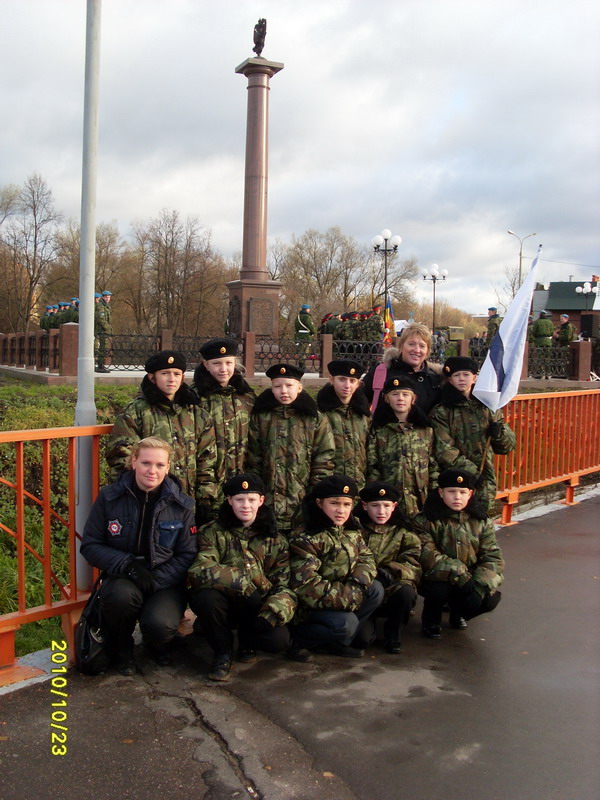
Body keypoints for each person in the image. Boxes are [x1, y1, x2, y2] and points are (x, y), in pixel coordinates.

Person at [80, 437, 197, 674]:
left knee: (160, 625)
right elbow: (90, 545)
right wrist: (128, 566)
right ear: (133, 462)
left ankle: (156, 644)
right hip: (125, 575)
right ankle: (122, 650)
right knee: (119, 597)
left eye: (159, 465)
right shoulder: (110, 497)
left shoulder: (181, 505)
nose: (152, 471)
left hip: (164, 581)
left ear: (168, 467)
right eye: (146, 463)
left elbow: (187, 554)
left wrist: (156, 580)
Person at [188, 473, 296, 682]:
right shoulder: (212, 532)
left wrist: (272, 613)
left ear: (261, 501)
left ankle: (248, 642)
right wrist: (244, 585)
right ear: (229, 500)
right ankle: (222, 652)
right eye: (239, 499)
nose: (245, 505)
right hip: (225, 602)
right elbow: (201, 567)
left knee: (278, 641)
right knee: (206, 598)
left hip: (256, 606)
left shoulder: (276, 539)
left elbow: (284, 585)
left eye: (251, 499)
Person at [106, 350, 217, 522]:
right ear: (152, 377)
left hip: (187, 500)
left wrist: (205, 496)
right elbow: (122, 454)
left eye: (176, 374)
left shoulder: (197, 413)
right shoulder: (136, 411)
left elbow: (207, 458)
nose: (171, 379)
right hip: (150, 500)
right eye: (165, 373)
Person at [289, 475, 383, 659]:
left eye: (347, 504)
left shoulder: (350, 530)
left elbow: (366, 559)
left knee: (376, 590)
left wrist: (356, 584)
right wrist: (349, 596)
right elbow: (307, 587)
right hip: (311, 607)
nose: (341, 510)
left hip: (344, 595)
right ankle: (297, 640)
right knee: (346, 624)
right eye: (334, 503)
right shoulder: (306, 537)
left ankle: (338, 643)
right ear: (319, 503)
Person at [414, 468, 504, 639]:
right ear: (441, 493)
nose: (457, 497)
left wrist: (479, 586)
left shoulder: (481, 521)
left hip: (469, 577)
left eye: (463, 492)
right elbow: (427, 554)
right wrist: (459, 573)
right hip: (436, 575)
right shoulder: (426, 520)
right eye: (452, 492)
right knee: (438, 589)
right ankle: (431, 620)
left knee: (489, 599)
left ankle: (459, 613)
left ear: (470, 494)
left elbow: (492, 557)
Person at [246, 363, 334, 534]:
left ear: (299, 387)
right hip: (268, 501)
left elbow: (323, 459)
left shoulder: (314, 418)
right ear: (271, 388)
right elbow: (253, 458)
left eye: (289, 385)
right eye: (278, 386)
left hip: (301, 500)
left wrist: (314, 494)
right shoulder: (261, 417)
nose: (284, 391)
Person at [429, 356, 516, 512]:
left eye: (466, 374)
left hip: (485, 478)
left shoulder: (487, 407)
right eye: (457, 375)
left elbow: (507, 446)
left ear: (474, 378)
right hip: (455, 482)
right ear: (450, 380)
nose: (462, 379)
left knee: (480, 518)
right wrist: (472, 473)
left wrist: (499, 433)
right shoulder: (442, 412)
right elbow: (444, 450)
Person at [354, 482, 421, 654]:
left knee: (406, 592)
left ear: (394, 506)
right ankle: (366, 622)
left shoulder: (403, 532)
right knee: (362, 640)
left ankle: (394, 634)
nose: (381, 511)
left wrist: (390, 572)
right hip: (363, 590)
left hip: (392, 587)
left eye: (386, 506)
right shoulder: (356, 529)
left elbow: (413, 563)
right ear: (364, 506)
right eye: (375, 506)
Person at [192, 338, 256, 506]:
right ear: (206, 365)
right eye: (216, 363)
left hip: (241, 485)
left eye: (228, 363)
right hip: (207, 484)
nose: (223, 369)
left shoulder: (246, 396)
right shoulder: (195, 398)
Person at [366, 375, 438, 519]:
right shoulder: (378, 429)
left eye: (405, 394)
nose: (400, 398)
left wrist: (434, 495)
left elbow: (433, 464)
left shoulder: (425, 430)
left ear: (413, 399)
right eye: (395, 394)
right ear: (386, 398)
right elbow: (372, 465)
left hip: (420, 499)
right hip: (388, 501)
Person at [362, 323, 443, 414]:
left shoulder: (435, 379)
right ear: (401, 346)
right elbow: (358, 405)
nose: (417, 350)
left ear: (427, 351)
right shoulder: (381, 372)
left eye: (422, 346)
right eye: (411, 344)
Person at [316, 359, 371, 486]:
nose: (347, 385)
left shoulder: (364, 416)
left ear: (358, 384)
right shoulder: (320, 413)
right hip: (330, 486)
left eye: (352, 381)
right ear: (331, 380)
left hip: (359, 485)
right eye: (342, 379)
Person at [94, 292, 113, 372]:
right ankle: (100, 365)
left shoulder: (107, 306)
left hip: (104, 330)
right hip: (101, 330)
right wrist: (108, 328)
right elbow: (101, 319)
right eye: (106, 297)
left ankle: (101, 364)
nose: (107, 299)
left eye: (109, 297)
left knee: (103, 347)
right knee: (101, 348)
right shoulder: (100, 306)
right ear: (102, 297)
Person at [294, 304, 317, 369]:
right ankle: (302, 367)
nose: (309, 310)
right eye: (309, 309)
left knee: (300, 351)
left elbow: (296, 327)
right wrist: (313, 332)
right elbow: (311, 326)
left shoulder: (298, 317)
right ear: (307, 309)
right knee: (305, 352)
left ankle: (301, 365)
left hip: (299, 336)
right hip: (306, 336)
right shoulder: (307, 317)